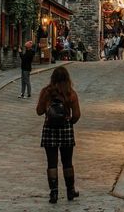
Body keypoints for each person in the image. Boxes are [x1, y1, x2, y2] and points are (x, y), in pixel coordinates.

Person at [36, 66, 81, 204]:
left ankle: (54, 193)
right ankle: (70, 190)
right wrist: (70, 121)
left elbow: (39, 111)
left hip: (50, 128)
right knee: (67, 162)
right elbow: (77, 115)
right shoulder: (71, 94)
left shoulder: (46, 92)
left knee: (52, 162)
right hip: (65, 128)